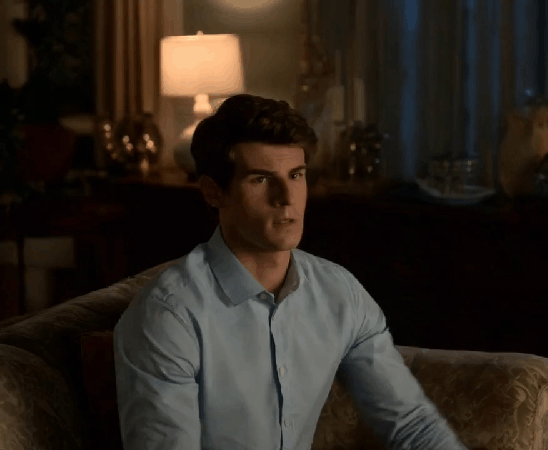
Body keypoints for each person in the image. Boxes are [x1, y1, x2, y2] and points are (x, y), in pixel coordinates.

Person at [113, 94, 467, 450]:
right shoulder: (169, 316)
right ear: (213, 192)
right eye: (261, 179)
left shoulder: (340, 293)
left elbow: (412, 426)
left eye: (296, 175)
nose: (286, 197)